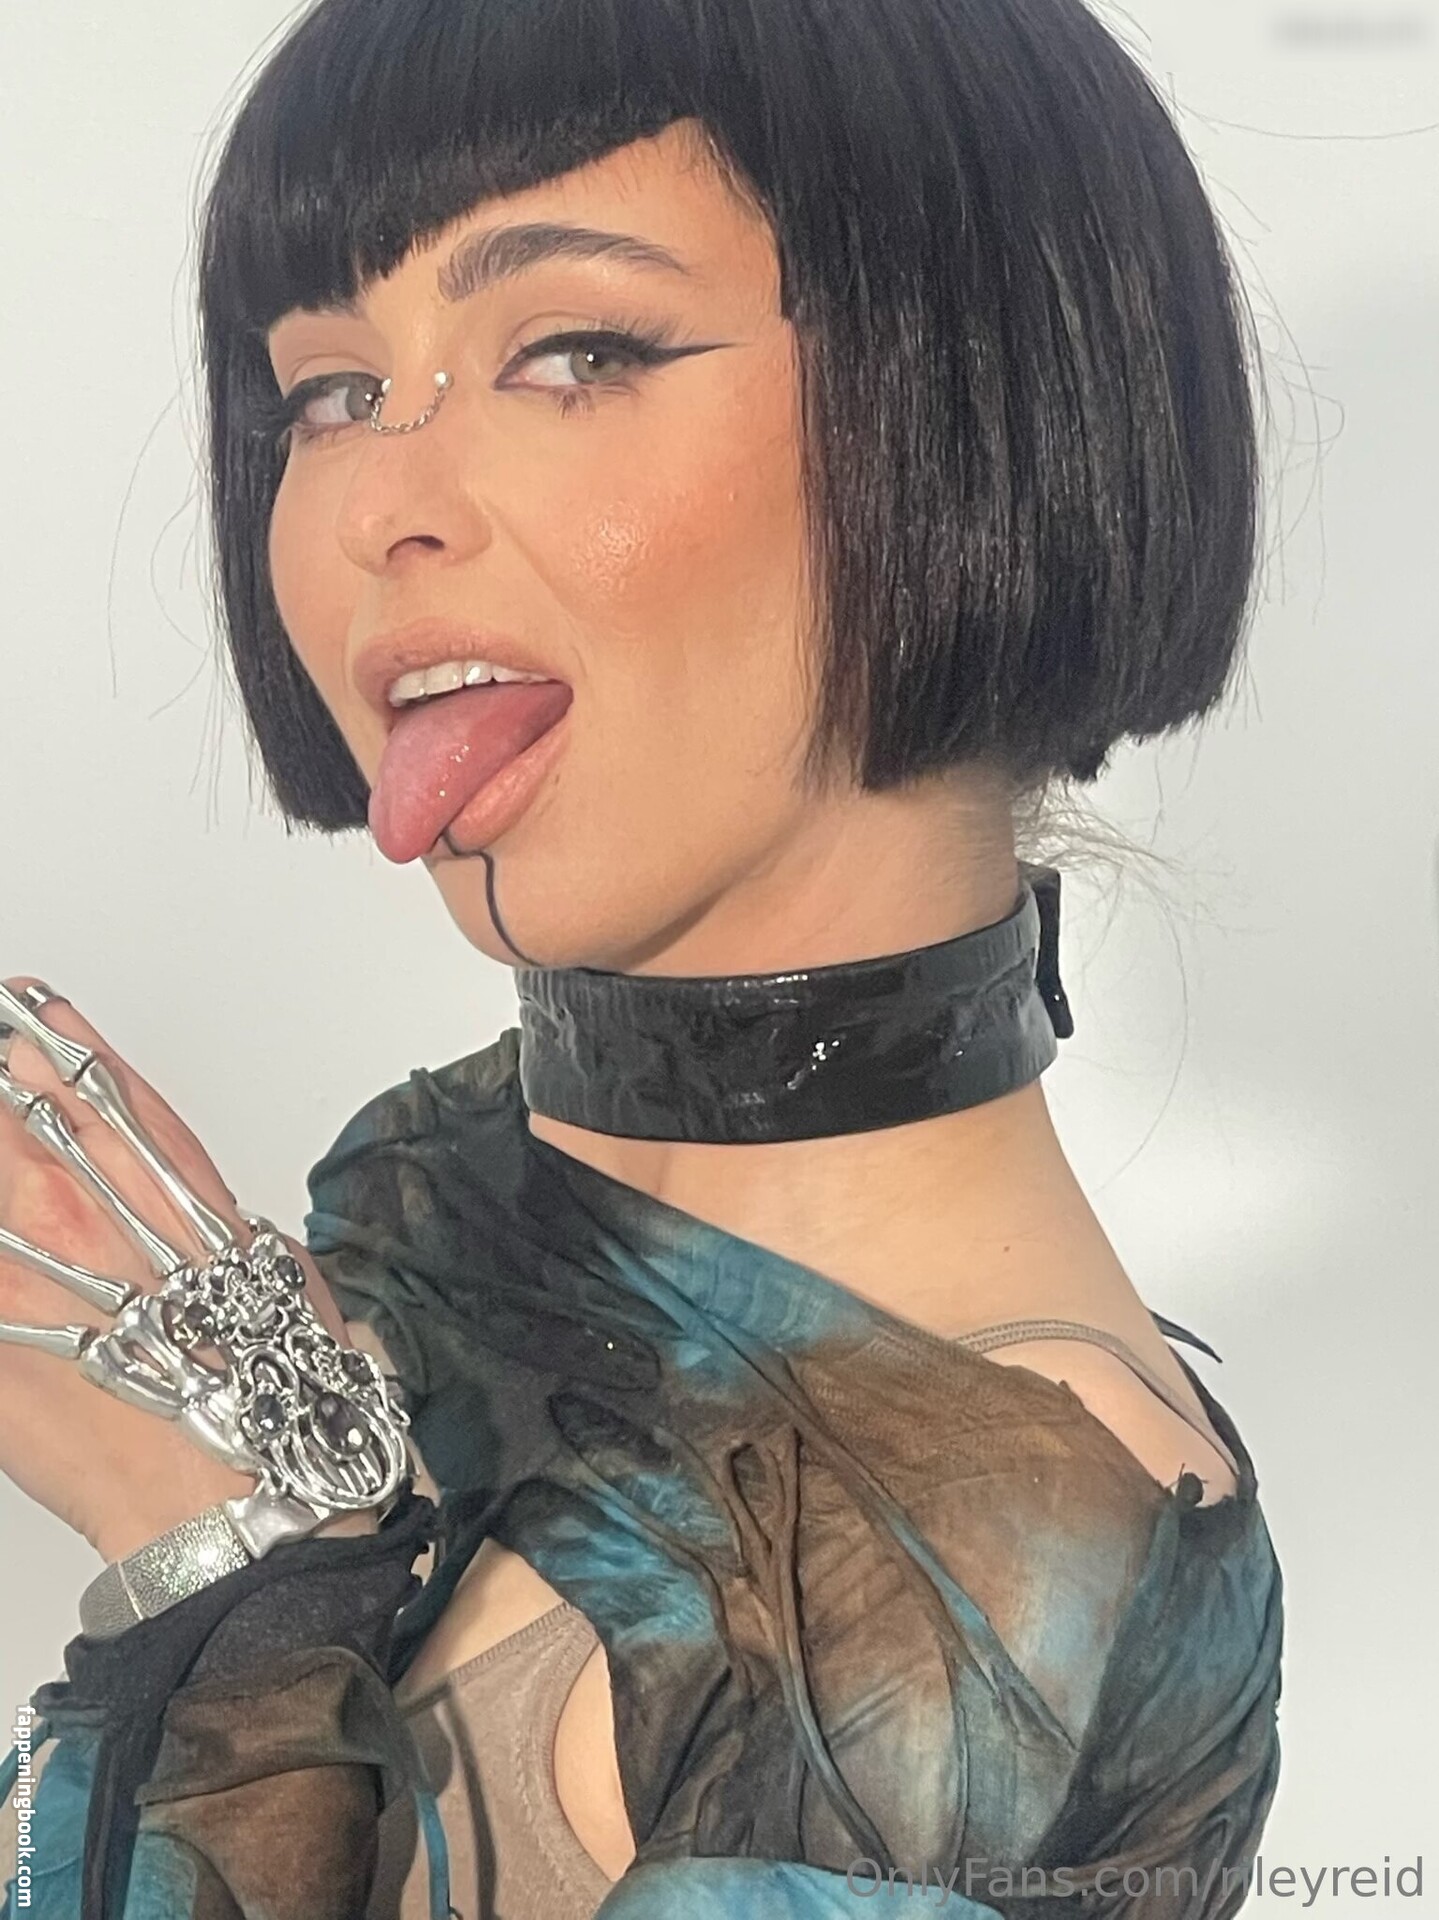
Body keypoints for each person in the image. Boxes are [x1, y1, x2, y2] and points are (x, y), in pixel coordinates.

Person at [0, 0, 1284, 1914]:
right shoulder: (463, 1208)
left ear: (984, 404)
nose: (375, 507)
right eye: (330, 391)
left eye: (576, 353)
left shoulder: (978, 1635)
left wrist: (224, 1582)